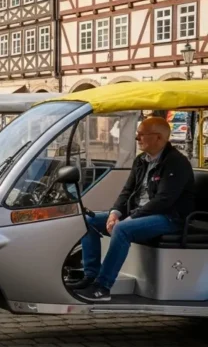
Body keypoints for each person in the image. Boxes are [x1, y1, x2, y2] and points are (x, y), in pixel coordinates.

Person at [70, 117, 196, 302]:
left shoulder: (176, 162)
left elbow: (164, 200)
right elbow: (127, 190)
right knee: (88, 221)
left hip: (169, 217)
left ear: (159, 138)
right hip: (140, 213)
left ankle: (102, 287)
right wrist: (115, 213)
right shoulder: (141, 160)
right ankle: (90, 276)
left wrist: (131, 218)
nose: (138, 139)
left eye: (141, 135)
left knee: (122, 229)